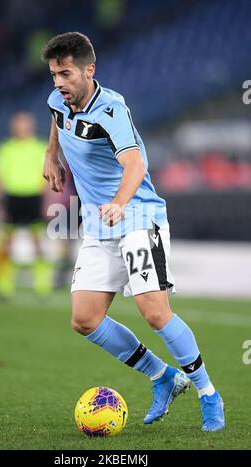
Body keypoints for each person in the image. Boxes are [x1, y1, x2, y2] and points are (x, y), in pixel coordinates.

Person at [41, 32, 225, 431]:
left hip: (137, 217)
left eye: (66, 74)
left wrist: (120, 203)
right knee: (85, 319)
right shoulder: (59, 99)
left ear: (89, 70)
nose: (58, 82)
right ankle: (164, 378)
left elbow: (136, 165)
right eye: (54, 74)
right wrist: (51, 154)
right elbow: (57, 117)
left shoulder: (112, 111)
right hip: (98, 224)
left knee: (155, 313)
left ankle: (208, 392)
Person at [0, 112, 52, 299]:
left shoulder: (40, 148)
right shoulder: (5, 149)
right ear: (13, 127)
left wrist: (46, 201)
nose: (22, 128)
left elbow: (47, 177)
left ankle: (42, 285)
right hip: (11, 198)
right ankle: (4, 285)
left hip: (33, 198)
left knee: (38, 243)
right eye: (18, 125)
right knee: (7, 244)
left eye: (25, 125)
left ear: (31, 127)